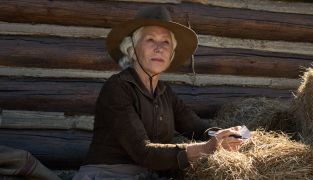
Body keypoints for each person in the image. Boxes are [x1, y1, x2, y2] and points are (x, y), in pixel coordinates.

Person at [73, 5, 243, 179]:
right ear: (132, 49)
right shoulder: (117, 87)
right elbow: (143, 152)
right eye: (150, 40)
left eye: (166, 42)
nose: (159, 48)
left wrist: (226, 135)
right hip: (109, 175)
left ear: (171, 54)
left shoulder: (165, 93)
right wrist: (207, 148)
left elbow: (196, 126)